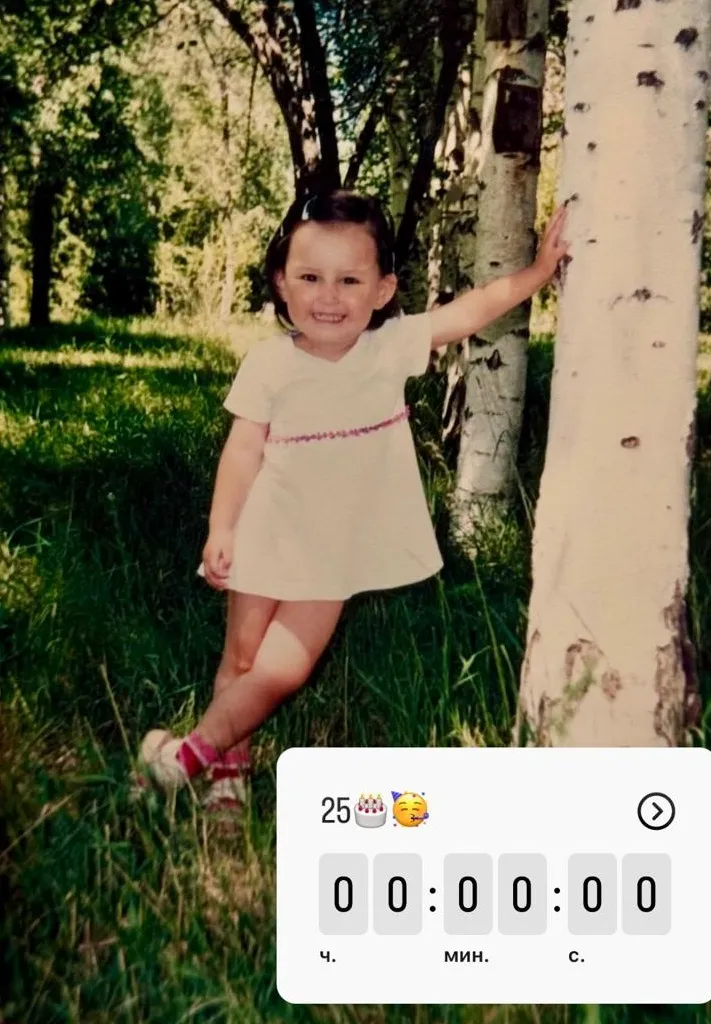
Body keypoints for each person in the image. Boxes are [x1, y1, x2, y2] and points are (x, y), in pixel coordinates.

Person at [139, 189, 569, 811]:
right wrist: (222, 527)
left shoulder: (388, 349)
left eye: (349, 280)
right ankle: (226, 771)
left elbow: (471, 311)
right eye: (310, 277)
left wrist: (538, 271)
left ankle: (179, 758)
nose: (329, 297)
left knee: (284, 670)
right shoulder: (268, 363)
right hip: (266, 532)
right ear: (281, 283)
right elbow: (242, 451)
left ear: (383, 290)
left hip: (334, 552)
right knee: (241, 658)